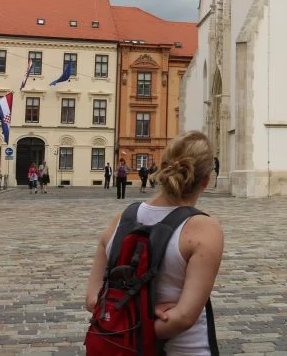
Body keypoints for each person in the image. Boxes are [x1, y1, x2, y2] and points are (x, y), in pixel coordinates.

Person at [85, 132, 224, 354]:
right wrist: (145, 319)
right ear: (206, 181)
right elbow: (184, 318)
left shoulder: (123, 218)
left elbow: (93, 300)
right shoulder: (204, 228)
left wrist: (124, 323)